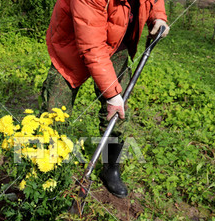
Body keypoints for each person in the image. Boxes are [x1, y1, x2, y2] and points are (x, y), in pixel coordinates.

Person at [41, 0, 169, 198]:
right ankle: (51, 169)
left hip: (117, 38)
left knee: (119, 109)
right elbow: (92, 46)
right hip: (73, 40)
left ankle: (111, 168)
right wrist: (111, 94)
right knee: (55, 109)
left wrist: (158, 16)